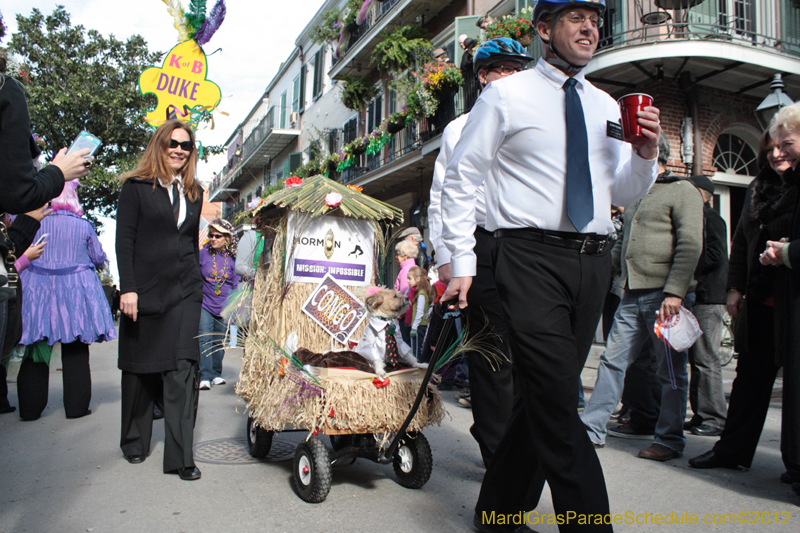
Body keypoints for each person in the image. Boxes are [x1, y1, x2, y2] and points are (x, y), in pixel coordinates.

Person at [440, 1, 661, 529]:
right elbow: (461, 179)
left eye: (595, 20)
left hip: (591, 262)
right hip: (526, 257)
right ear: (543, 30)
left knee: (541, 397)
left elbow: (622, 191)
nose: (590, 28)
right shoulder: (505, 95)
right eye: (575, 18)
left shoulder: (607, 104)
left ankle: (495, 514)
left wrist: (647, 155)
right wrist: (460, 261)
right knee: (562, 400)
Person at [428, 37, 533, 466]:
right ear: (484, 76)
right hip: (478, 250)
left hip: (529, 252)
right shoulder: (459, 128)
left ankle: (518, 447)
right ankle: (496, 457)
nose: (510, 77)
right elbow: (441, 197)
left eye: (516, 69)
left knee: (529, 360)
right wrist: (446, 259)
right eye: (501, 69)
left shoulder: (535, 124)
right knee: (491, 358)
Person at [696, 113, 800, 491]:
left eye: (785, 146)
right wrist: (735, 288)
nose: (776, 154)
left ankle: (794, 464)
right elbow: (741, 245)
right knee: (749, 382)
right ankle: (732, 451)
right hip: (761, 301)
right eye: (770, 147)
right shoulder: (759, 188)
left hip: (793, 303)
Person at [581, 137, 703, 460]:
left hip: (665, 297)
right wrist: (614, 278)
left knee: (670, 371)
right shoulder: (636, 193)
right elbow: (623, 244)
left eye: (634, 151)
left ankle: (669, 439)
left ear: (654, 153)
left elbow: (690, 244)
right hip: (631, 295)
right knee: (612, 361)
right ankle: (591, 429)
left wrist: (676, 291)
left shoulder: (682, 191)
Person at [116, 120, 204, 481]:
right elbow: (125, 240)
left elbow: (188, 242)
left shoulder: (195, 191)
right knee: (140, 370)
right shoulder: (135, 188)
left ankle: (181, 457)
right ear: (160, 144)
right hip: (146, 290)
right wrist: (128, 288)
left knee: (183, 368)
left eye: (185, 144)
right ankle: (134, 442)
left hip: (185, 291)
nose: (179, 149)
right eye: (172, 142)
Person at [17, 181, 117, 421]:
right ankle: (76, 408)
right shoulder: (83, 225)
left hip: (38, 291)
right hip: (74, 293)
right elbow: (98, 257)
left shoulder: (32, 223)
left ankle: (30, 410)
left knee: (37, 347)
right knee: (75, 348)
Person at [684, 175, 728, 437]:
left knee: (705, 358)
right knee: (696, 358)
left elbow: (715, 255)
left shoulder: (712, 220)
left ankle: (714, 419)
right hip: (698, 297)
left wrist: (686, 267)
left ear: (704, 194)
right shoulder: (696, 219)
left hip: (709, 297)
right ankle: (701, 414)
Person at [198, 218, 239, 390]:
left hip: (224, 307)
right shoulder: (202, 254)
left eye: (217, 236)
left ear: (226, 239)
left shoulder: (232, 259)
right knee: (205, 339)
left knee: (219, 341)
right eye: (211, 235)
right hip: (205, 304)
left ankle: (216, 373)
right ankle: (205, 376)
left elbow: (235, 283)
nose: (213, 239)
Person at [394, 239, 418, 344]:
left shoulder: (406, 270)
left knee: (404, 343)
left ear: (405, 255)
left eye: (398, 254)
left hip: (405, 316)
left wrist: (399, 313)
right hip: (411, 314)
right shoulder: (414, 268)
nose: (396, 256)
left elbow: (405, 294)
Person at [406, 266, 432, 360]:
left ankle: (418, 369)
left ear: (418, 279)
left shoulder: (421, 293)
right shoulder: (420, 291)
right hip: (420, 326)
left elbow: (420, 312)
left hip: (419, 326)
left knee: (417, 351)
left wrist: (414, 327)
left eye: (410, 278)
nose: (408, 281)